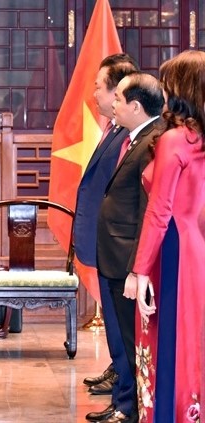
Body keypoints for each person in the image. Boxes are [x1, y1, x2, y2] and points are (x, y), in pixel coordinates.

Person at [127, 50, 205, 423]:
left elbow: (159, 211)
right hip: (197, 245)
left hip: (171, 247)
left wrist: (141, 271)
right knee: (192, 337)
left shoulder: (176, 139)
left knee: (166, 338)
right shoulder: (199, 138)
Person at [89, 71, 164, 423]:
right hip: (114, 255)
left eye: (117, 99)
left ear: (135, 105)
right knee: (121, 337)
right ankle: (124, 404)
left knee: (134, 341)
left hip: (128, 259)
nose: (112, 104)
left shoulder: (155, 141)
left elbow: (149, 209)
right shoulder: (133, 138)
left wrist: (138, 267)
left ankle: (133, 409)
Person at [74, 54, 139, 400]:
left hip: (118, 246)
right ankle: (119, 374)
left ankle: (125, 388)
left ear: (118, 92)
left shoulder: (131, 136)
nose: (94, 94)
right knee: (115, 325)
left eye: (99, 87)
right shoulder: (114, 130)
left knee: (121, 325)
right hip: (103, 242)